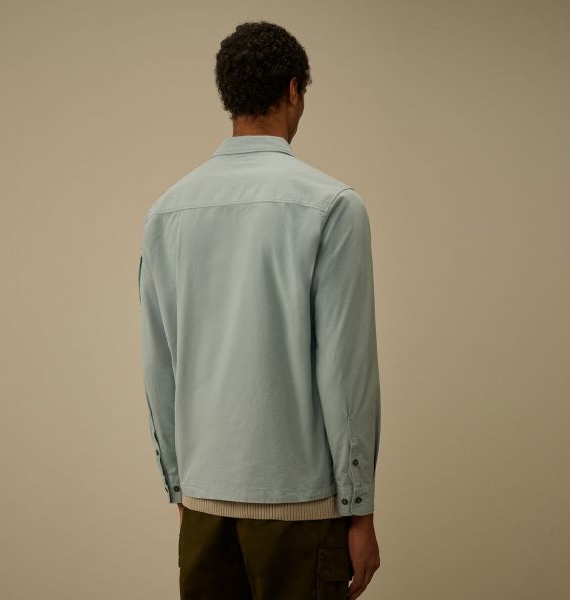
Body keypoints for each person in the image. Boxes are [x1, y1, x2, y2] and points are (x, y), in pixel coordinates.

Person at [138, 20, 381, 600]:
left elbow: (158, 365)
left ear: (229, 96)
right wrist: (359, 509)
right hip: (301, 511)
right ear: (294, 90)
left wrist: (180, 486)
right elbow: (345, 374)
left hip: (204, 505)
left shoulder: (167, 212)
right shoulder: (332, 206)